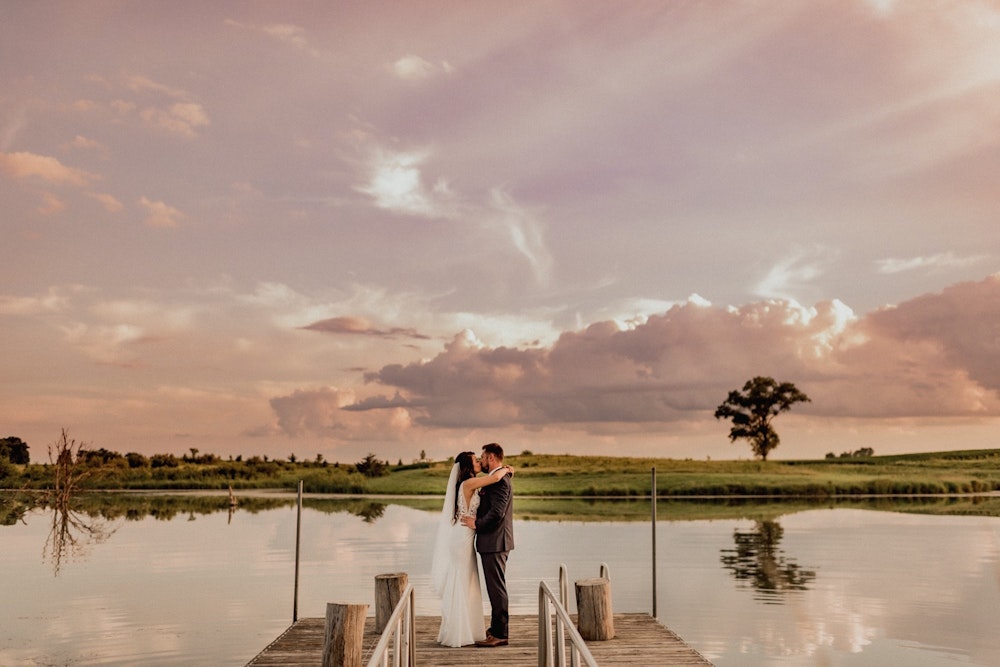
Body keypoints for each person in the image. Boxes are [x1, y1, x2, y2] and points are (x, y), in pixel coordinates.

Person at [430, 451, 512, 648]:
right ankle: (458, 631)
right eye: (476, 460)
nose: (479, 462)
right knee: (461, 581)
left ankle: (467, 628)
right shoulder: (468, 483)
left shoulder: (469, 483)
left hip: (466, 537)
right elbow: (494, 478)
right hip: (462, 538)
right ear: (468, 465)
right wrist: (507, 469)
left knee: (467, 581)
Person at [461, 442, 514, 648]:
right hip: (493, 542)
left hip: (495, 542)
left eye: (482, 457)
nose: (481, 461)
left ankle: (500, 634)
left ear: (491, 457)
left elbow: (497, 513)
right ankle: (495, 629)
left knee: (496, 589)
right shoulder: (496, 477)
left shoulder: (500, 481)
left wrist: (477, 524)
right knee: (494, 588)